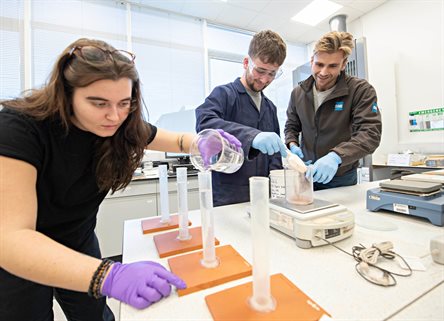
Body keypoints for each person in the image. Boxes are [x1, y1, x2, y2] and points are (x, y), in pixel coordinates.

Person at [0, 38, 238, 321]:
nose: (114, 116)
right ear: (66, 93)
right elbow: (11, 236)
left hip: (78, 237)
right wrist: (107, 274)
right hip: (22, 249)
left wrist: (200, 142)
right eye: (98, 103)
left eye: (124, 103)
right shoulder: (20, 127)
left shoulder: (123, 124)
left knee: (96, 316)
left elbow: (176, 139)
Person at [195, 30, 288, 206]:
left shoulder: (270, 107)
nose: (264, 79)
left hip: (264, 195)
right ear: (246, 62)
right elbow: (204, 122)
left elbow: (274, 155)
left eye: (272, 74)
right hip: (229, 195)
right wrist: (252, 137)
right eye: (260, 70)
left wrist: (278, 187)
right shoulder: (225, 94)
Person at [284, 31, 382, 190]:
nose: (323, 72)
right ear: (311, 61)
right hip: (305, 174)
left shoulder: (360, 90)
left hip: (340, 177)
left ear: (343, 65)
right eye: (319, 64)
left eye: (333, 66)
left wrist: (336, 157)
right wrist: (293, 145)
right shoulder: (298, 93)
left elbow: (370, 134)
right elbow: (291, 126)